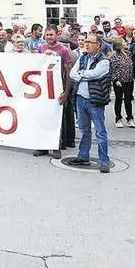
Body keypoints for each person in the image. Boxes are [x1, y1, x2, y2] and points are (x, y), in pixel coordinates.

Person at [67, 34, 111, 173]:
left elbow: (96, 74)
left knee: (100, 130)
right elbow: (72, 74)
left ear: (98, 45)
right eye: (85, 41)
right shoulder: (83, 57)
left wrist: (82, 74)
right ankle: (83, 156)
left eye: (89, 42)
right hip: (81, 97)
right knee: (84, 129)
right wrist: (84, 74)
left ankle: (104, 160)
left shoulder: (104, 61)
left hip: (95, 99)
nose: (86, 44)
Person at [34, 26, 74, 158]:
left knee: (57, 118)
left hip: (59, 88)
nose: (49, 37)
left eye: (51, 34)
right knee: (43, 116)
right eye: (47, 35)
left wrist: (66, 92)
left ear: (56, 35)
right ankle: (43, 146)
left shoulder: (64, 50)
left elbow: (69, 73)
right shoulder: (41, 48)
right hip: (43, 89)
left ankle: (56, 146)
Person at [109, 39, 135, 128]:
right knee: (119, 99)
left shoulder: (128, 54)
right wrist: (116, 80)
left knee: (128, 99)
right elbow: (112, 69)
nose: (125, 43)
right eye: (123, 42)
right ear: (119, 45)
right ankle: (118, 118)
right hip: (119, 81)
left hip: (129, 80)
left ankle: (130, 118)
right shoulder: (114, 56)